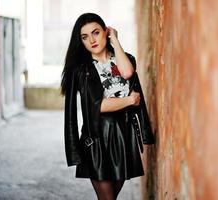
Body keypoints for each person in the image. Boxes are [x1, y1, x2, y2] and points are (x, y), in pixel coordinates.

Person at [60, 13, 154, 200]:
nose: (92, 40)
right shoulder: (80, 70)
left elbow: (127, 73)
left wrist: (116, 41)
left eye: (96, 32)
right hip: (96, 139)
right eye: (85, 37)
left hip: (124, 136)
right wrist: (128, 101)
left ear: (106, 31)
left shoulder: (125, 59)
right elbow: (97, 107)